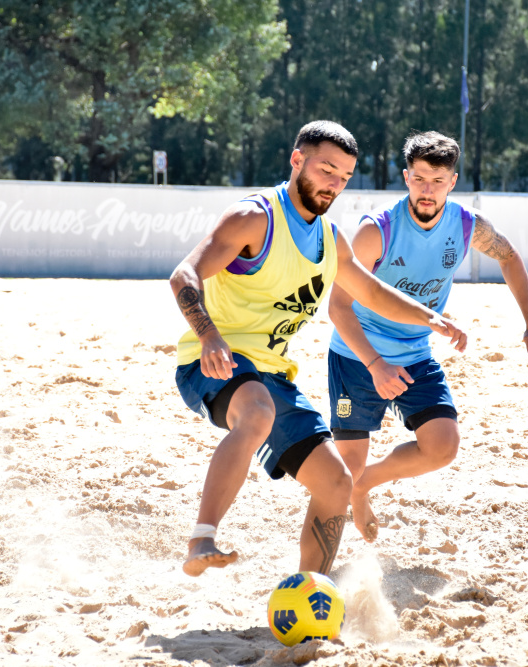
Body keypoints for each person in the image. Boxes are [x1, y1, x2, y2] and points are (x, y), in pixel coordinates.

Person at [170, 121, 467, 577]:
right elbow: (184, 275)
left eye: (344, 177)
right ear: (296, 160)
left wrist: (428, 316)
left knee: (336, 483)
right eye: (326, 169)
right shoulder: (255, 217)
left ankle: (316, 587)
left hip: (272, 376)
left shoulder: (330, 239)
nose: (334, 184)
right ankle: (202, 537)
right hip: (213, 360)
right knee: (256, 411)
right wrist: (208, 334)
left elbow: (370, 292)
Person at [326, 130, 528, 542]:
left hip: (414, 350)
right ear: (405, 177)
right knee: (345, 472)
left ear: (452, 182)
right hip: (357, 357)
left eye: (437, 180)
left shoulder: (467, 226)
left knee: (442, 446)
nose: (427, 190)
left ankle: (366, 484)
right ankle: (353, 490)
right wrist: (375, 365)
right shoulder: (375, 231)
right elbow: (338, 307)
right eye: (419, 178)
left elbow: (509, 256)